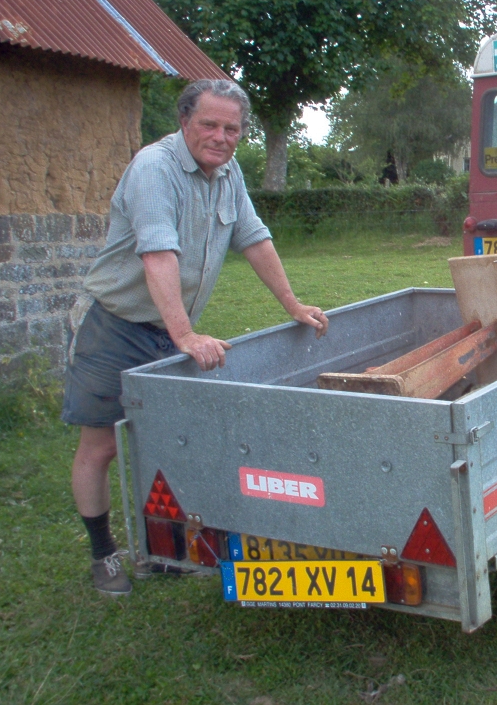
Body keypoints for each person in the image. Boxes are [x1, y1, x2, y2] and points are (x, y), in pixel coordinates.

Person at [62, 79, 328, 595]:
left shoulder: (229, 174)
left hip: (169, 331)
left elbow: (254, 238)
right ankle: (103, 554)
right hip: (117, 327)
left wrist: (292, 305)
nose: (221, 137)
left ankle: (159, 548)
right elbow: (158, 254)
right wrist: (184, 334)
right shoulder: (154, 170)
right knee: (101, 445)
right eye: (209, 124)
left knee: (168, 440)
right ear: (185, 121)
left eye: (232, 128)